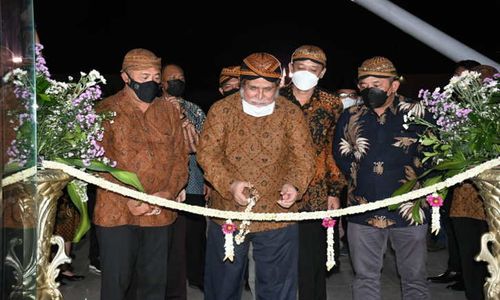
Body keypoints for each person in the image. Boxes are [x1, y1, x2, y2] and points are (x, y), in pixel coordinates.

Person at [197, 52, 316, 300]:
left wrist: (294, 185)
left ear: (278, 87)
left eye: (267, 89)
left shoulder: (290, 113)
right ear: (242, 85)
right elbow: (208, 155)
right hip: (228, 211)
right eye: (253, 89)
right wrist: (230, 185)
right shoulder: (221, 111)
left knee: (278, 287)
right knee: (223, 286)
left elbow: (303, 157)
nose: (260, 96)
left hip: (278, 215)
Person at [333, 56, 433, 300]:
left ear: (394, 85)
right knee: (365, 278)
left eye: (377, 83)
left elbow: (433, 155)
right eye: (364, 85)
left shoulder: (417, 112)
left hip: (410, 209)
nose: (370, 89)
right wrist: (362, 178)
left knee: (415, 279)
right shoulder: (351, 115)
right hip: (362, 207)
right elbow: (341, 153)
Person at [94, 48, 189, 300]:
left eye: (156, 77)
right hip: (116, 213)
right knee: (117, 285)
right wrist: (129, 198)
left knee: (154, 285)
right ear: (126, 77)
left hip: (159, 212)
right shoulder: (105, 109)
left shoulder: (168, 112)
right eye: (143, 75)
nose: (151, 82)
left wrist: (168, 192)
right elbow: (96, 162)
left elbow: (180, 159)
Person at [279, 45, 345, 300]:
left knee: (312, 260)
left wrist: (334, 191)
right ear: (291, 68)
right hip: (278, 190)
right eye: (300, 68)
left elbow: (334, 151)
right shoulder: (275, 98)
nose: (305, 73)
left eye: (313, 69)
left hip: (316, 193)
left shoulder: (332, 105)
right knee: (279, 258)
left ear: (323, 72)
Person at [427, 59, 481, 289]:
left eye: (465, 77)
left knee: (473, 236)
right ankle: (455, 268)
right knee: (450, 226)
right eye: (457, 77)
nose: (460, 82)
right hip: (450, 180)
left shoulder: (482, 106)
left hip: (476, 185)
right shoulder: (448, 105)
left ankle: (469, 276)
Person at [161, 63, 208, 298]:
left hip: (194, 182)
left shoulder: (194, 110)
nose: (177, 81)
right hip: (165, 185)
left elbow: (204, 147)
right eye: (172, 78)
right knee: (170, 237)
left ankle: (197, 276)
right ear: (161, 82)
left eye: (181, 77)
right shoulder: (155, 107)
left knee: (195, 235)